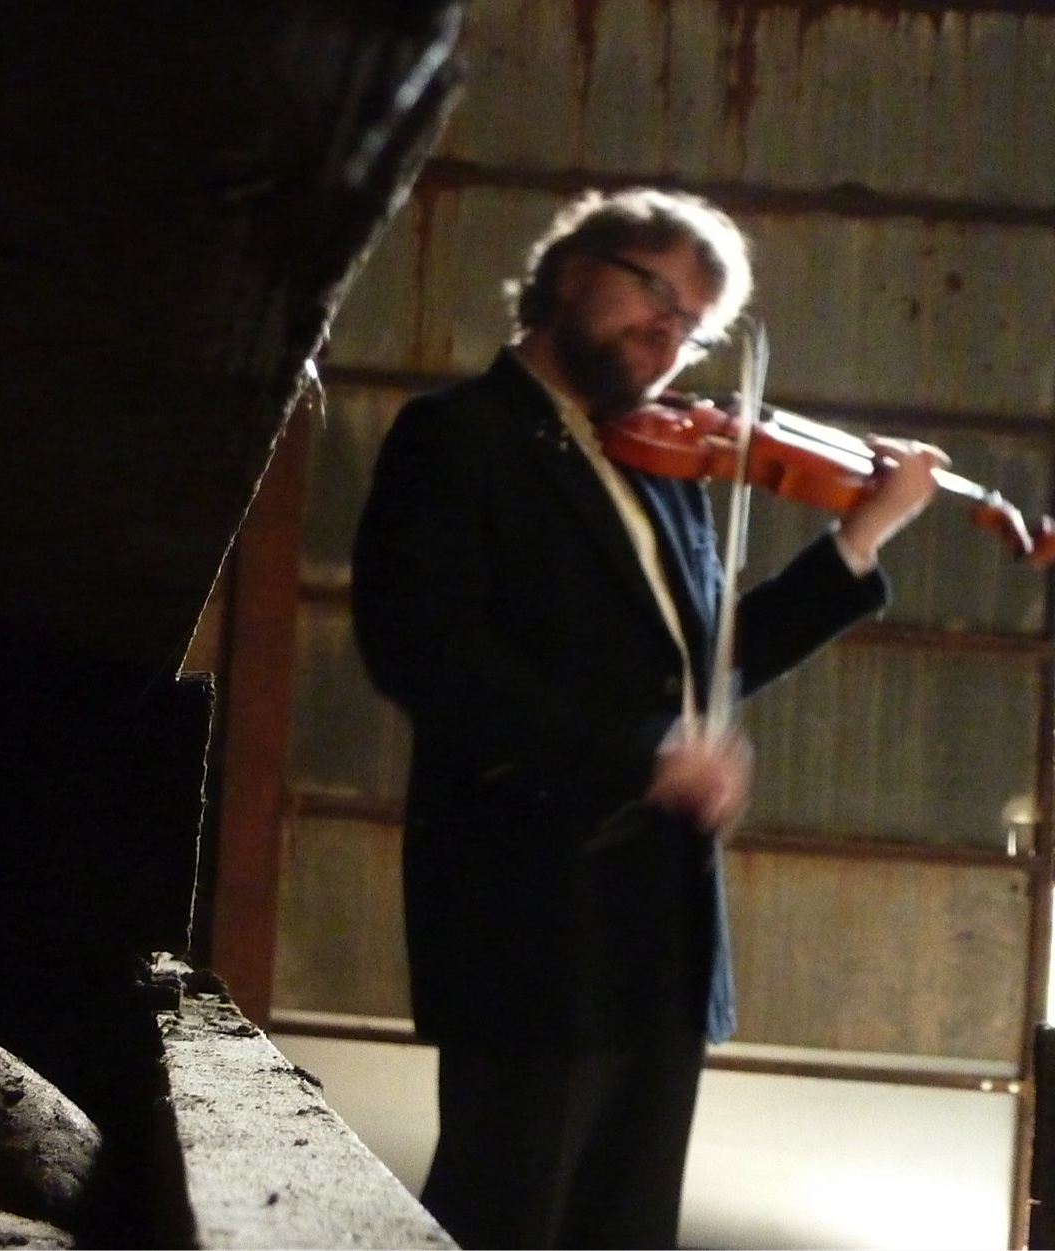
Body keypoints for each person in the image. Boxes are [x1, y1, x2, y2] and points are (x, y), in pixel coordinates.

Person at [350, 187, 942, 1249]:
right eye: (653, 294)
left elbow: (704, 672)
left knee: (622, 1226)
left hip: (659, 924)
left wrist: (857, 544)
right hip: (527, 910)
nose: (667, 334)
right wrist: (640, 755)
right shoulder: (456, 438)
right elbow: (424, 653)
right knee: (504, 1213)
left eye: (691, 324)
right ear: (574, 268)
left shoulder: (660, 470)